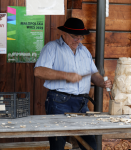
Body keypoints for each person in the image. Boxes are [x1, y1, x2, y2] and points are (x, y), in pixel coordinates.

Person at [34, 17, 112, 150]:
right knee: (58, 145)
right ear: (64, 33)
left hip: (81, 104)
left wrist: (102, 82)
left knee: (90, 145)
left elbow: (94, 74)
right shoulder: (52, 48)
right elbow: (39, 71)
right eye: (75, 36)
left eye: (81, 37)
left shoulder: (84, 51)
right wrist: (66, 75)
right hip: (59, 102)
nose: (78, 40)